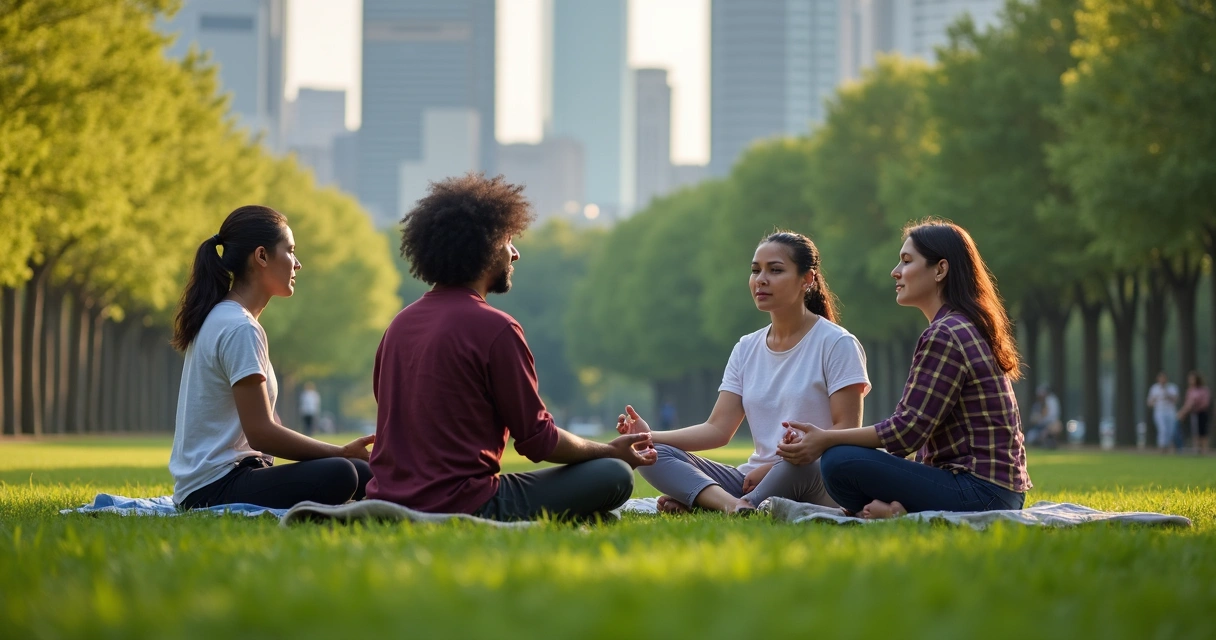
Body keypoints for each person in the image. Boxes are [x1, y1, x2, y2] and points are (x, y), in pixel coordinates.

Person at [368, 174, 656, 522]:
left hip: (389, 499)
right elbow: (538, 440)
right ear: (486, 246)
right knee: (614, 475)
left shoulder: (398, 325)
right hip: (467, 503)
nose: (515, 253)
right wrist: (609, 451)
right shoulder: (496, 327)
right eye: (508, 240)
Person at [772, 219, 1030, 519]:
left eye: (907, 261)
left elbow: (906, 433)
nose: (896, 271)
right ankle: (897, 511)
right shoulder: (962, 326)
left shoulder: (945, 334)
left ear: (940, 270)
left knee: (838, 461)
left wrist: (826, 439)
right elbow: (916, 437)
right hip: (998, 493)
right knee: (845, 458)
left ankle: (895, 511)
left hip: (980, 494)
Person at [615, 231, 870, 514]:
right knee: (653, 456)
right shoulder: (746, 347)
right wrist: (648, 436)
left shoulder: (837, 343)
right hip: (749, 479)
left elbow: (847, 430)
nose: (761, 279)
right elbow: (717, 429)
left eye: (775, 270)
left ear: (807, 280)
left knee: (798, 470)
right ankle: (733, 506)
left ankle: (716, 505)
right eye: (755, 270)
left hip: (810, 474)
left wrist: (776, 467)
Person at [169, 205, 374, 510]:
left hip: (225, 479)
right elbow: (261, 433)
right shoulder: (239, 327)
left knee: (360, 471)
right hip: (213, 488)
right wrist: (340, 451)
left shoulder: (227, 317)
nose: (298, 264)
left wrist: (343, 455)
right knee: (342, 472)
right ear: (262, 256)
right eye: (290, 251)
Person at [1176, 371, 1210, 455]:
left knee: (1203, 432)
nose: (1190, 381)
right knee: (1195, 432)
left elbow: (1206, 402)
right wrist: (1183, 412)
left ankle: (1204, 450)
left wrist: (1197, 404)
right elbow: (1188, 403)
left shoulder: (1204, 390)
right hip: (1193, 413)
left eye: (1192, 379)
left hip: (1202, 412)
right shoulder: (1190, 390)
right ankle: (1196, 449)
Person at [1147, 371, 1180, 454]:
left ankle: (1168, 446)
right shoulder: (1154, 388)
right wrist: (1155, 399)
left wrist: (1167, 393)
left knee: (1171, 430)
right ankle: (1162, 447)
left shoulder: (1172, 387)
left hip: (1170, 411)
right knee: (1162, 429)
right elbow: (1149, 402)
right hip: (1159, 411)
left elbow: (1176, 400)